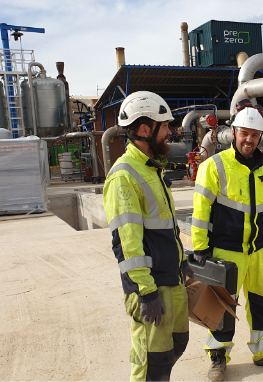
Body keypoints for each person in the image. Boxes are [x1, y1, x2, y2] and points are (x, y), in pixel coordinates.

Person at [191, 99, 263, 382]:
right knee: (223, 307)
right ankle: (218, 357)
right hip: (226, 252)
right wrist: (200, 248)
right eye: (244, 133)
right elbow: (200, 210)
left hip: (259, 250)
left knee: (262, 302)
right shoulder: (215, 166)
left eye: (254, 135)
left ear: (260, 137)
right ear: (234, 132)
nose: (249, 140)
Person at [103, 91, 194, 382]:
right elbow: (127, 243)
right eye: (165, 126)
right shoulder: (124, 176)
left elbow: (164, 229)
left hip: (171, 278)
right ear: (145, 129)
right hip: (151, 287)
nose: (170, 132)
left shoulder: (153, 169)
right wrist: (146, 292)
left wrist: (182, 262)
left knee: (175, 346)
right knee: (150, 365)